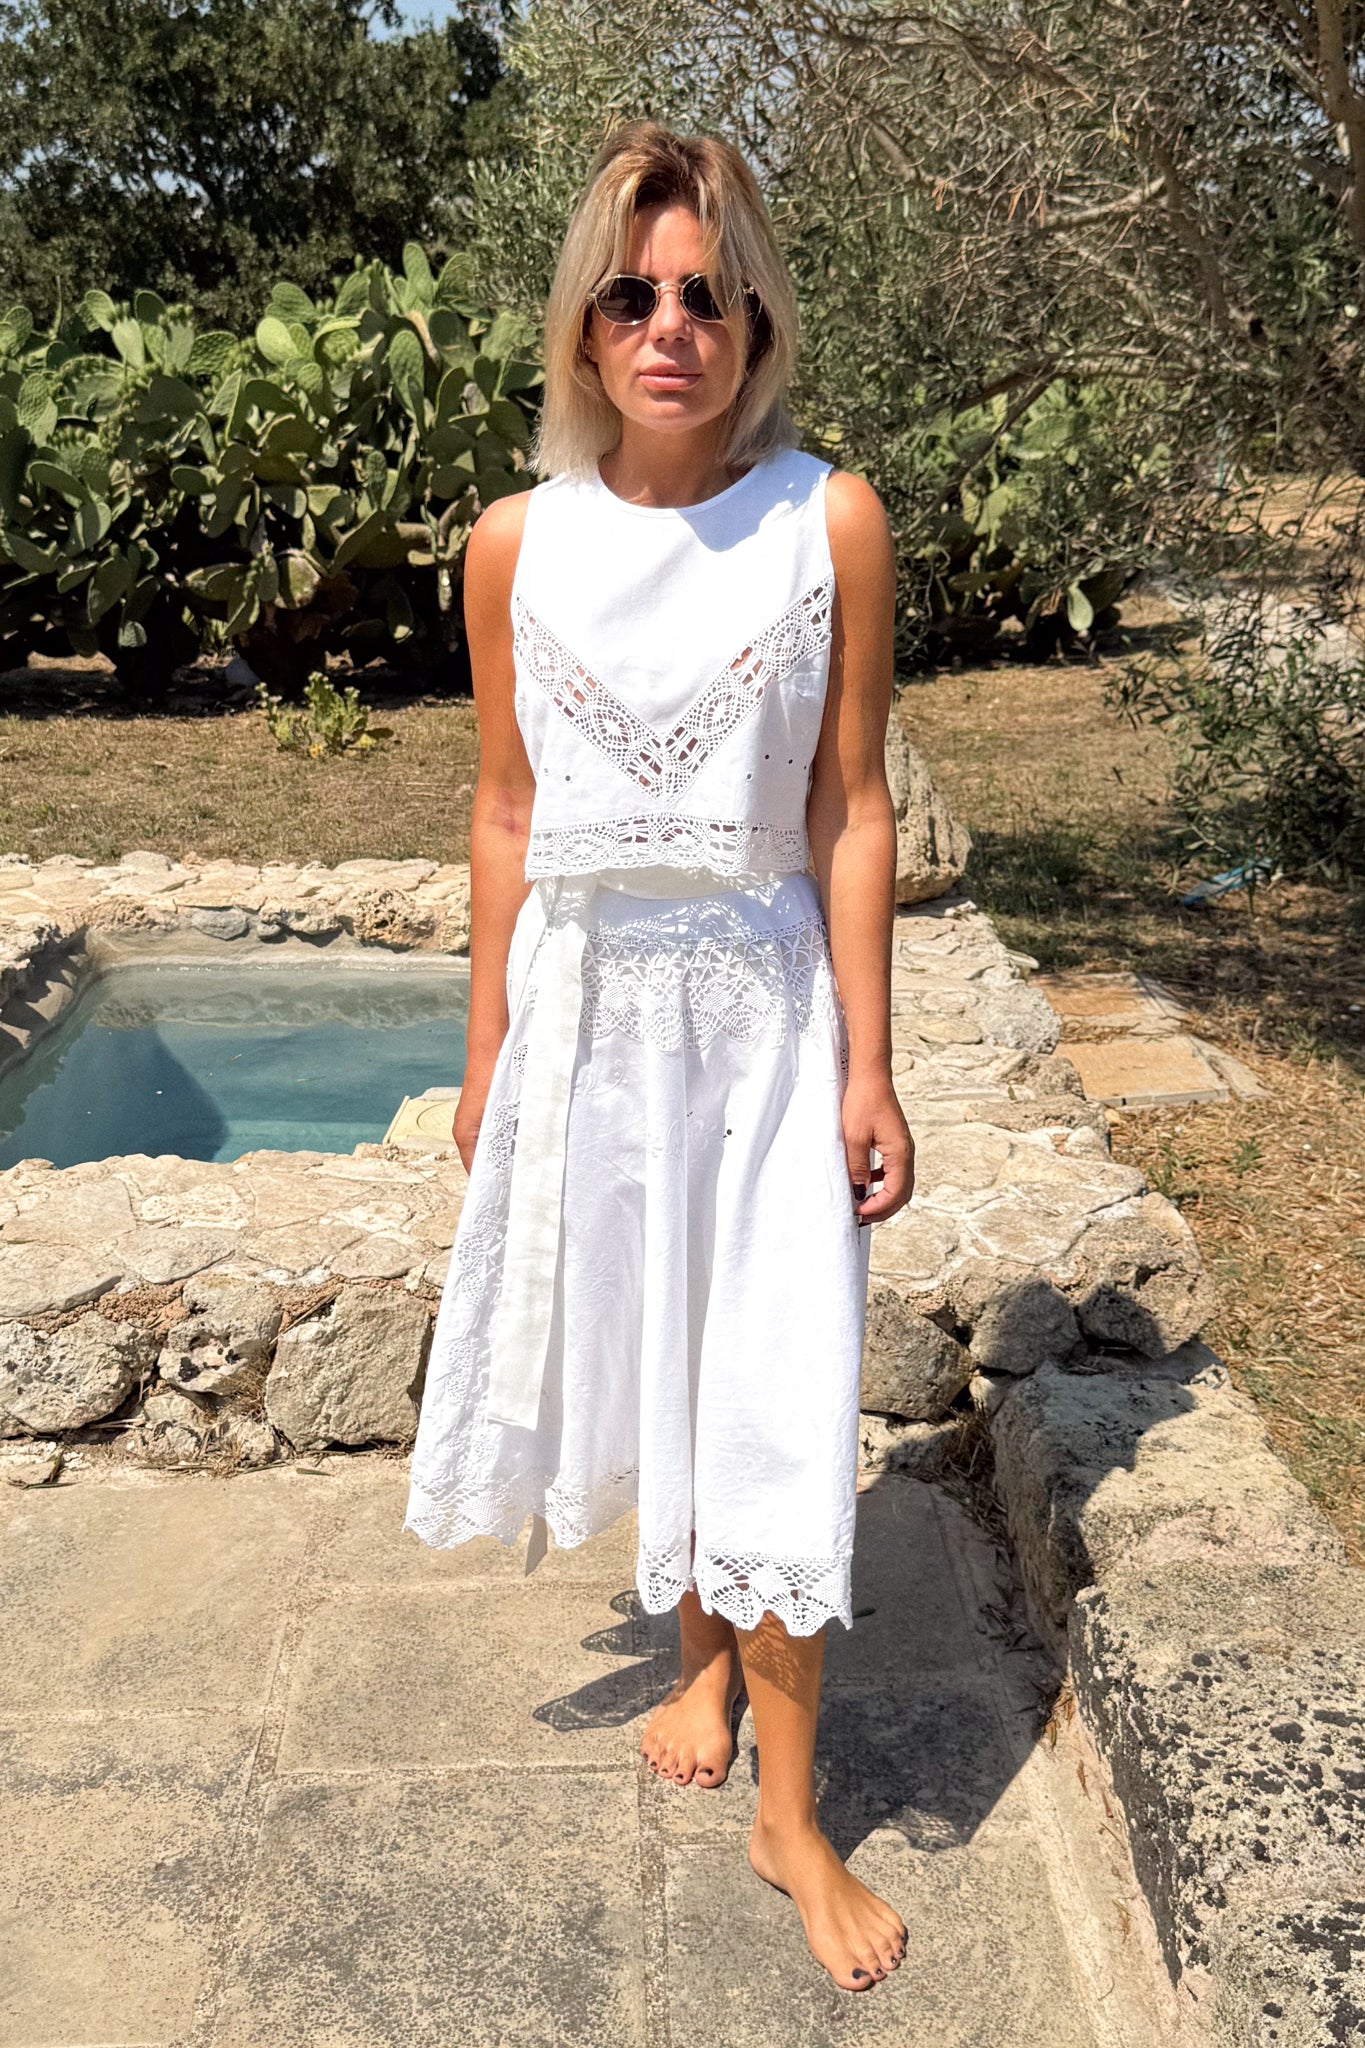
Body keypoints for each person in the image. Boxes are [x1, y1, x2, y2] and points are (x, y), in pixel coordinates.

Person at [404, 117, 916, 1994]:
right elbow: (503, 812)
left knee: (775, 1379)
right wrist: (486, 1052)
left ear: (754, 321)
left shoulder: (826, 522)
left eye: (705, 295)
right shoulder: (512, 546)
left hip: (767, 1017)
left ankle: (792, 1815)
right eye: (630, 294)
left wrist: (869, 1064)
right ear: (583, 323)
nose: (668, 327)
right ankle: (698, 1660)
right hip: (590, 1019)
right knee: (662, 1346)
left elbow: (848, 807)